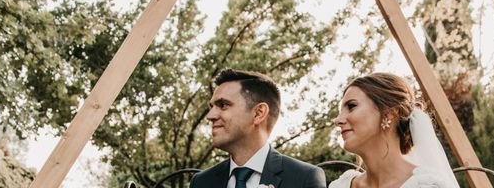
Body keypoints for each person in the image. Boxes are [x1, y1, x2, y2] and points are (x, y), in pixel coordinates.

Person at [190, 68, 326, 188]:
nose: (210, 116)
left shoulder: (304, 178)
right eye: (212, 107)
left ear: (258, 113)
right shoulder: (201, 182)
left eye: (223, 105)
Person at [330, 73, 459, 188]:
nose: (337, 120)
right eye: (340, 111)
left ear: (389, 113)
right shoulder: (341, 185)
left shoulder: (426, 185)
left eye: (351, 106)